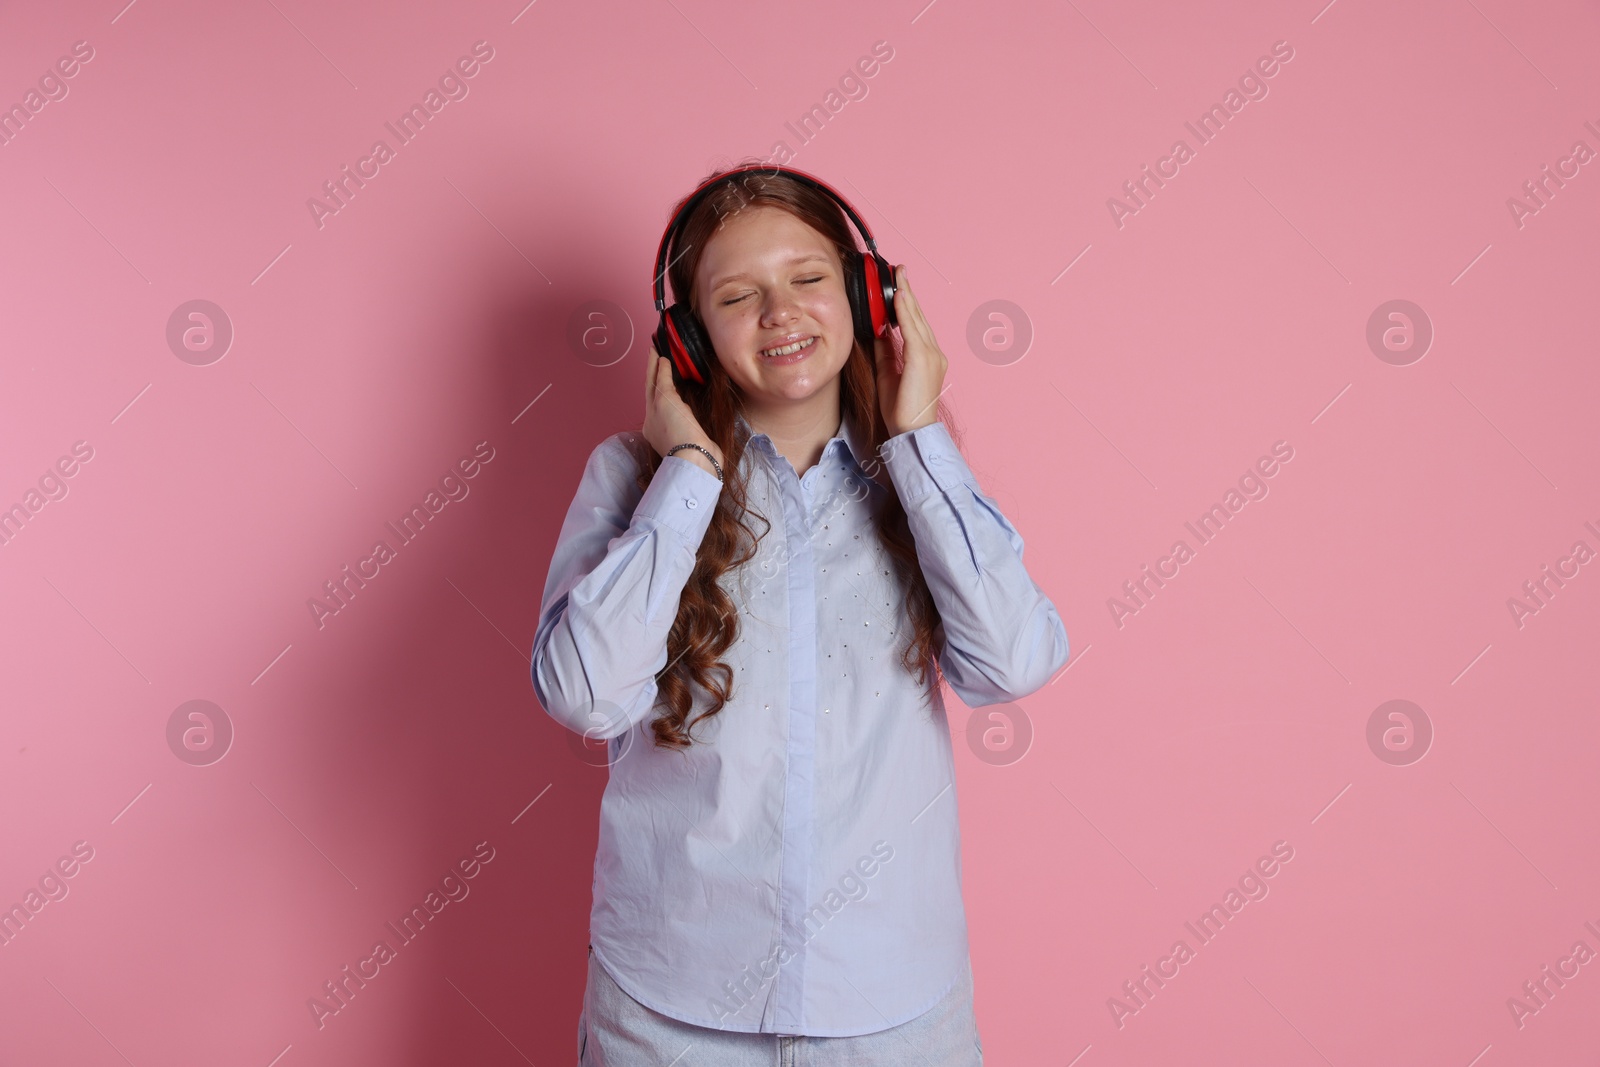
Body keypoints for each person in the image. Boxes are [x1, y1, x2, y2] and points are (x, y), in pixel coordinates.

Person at [530, 163, 1069, 1065]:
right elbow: (585, 697)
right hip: (668, 1010)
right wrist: (688, 478)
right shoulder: (632, 477)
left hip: (894, 1009)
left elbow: (1013, 662)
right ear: (691, 340)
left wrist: (919, 437)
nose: (781, 312)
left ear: (867, 296)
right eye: (739, 296)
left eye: (809, 278)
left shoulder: (920, 480)